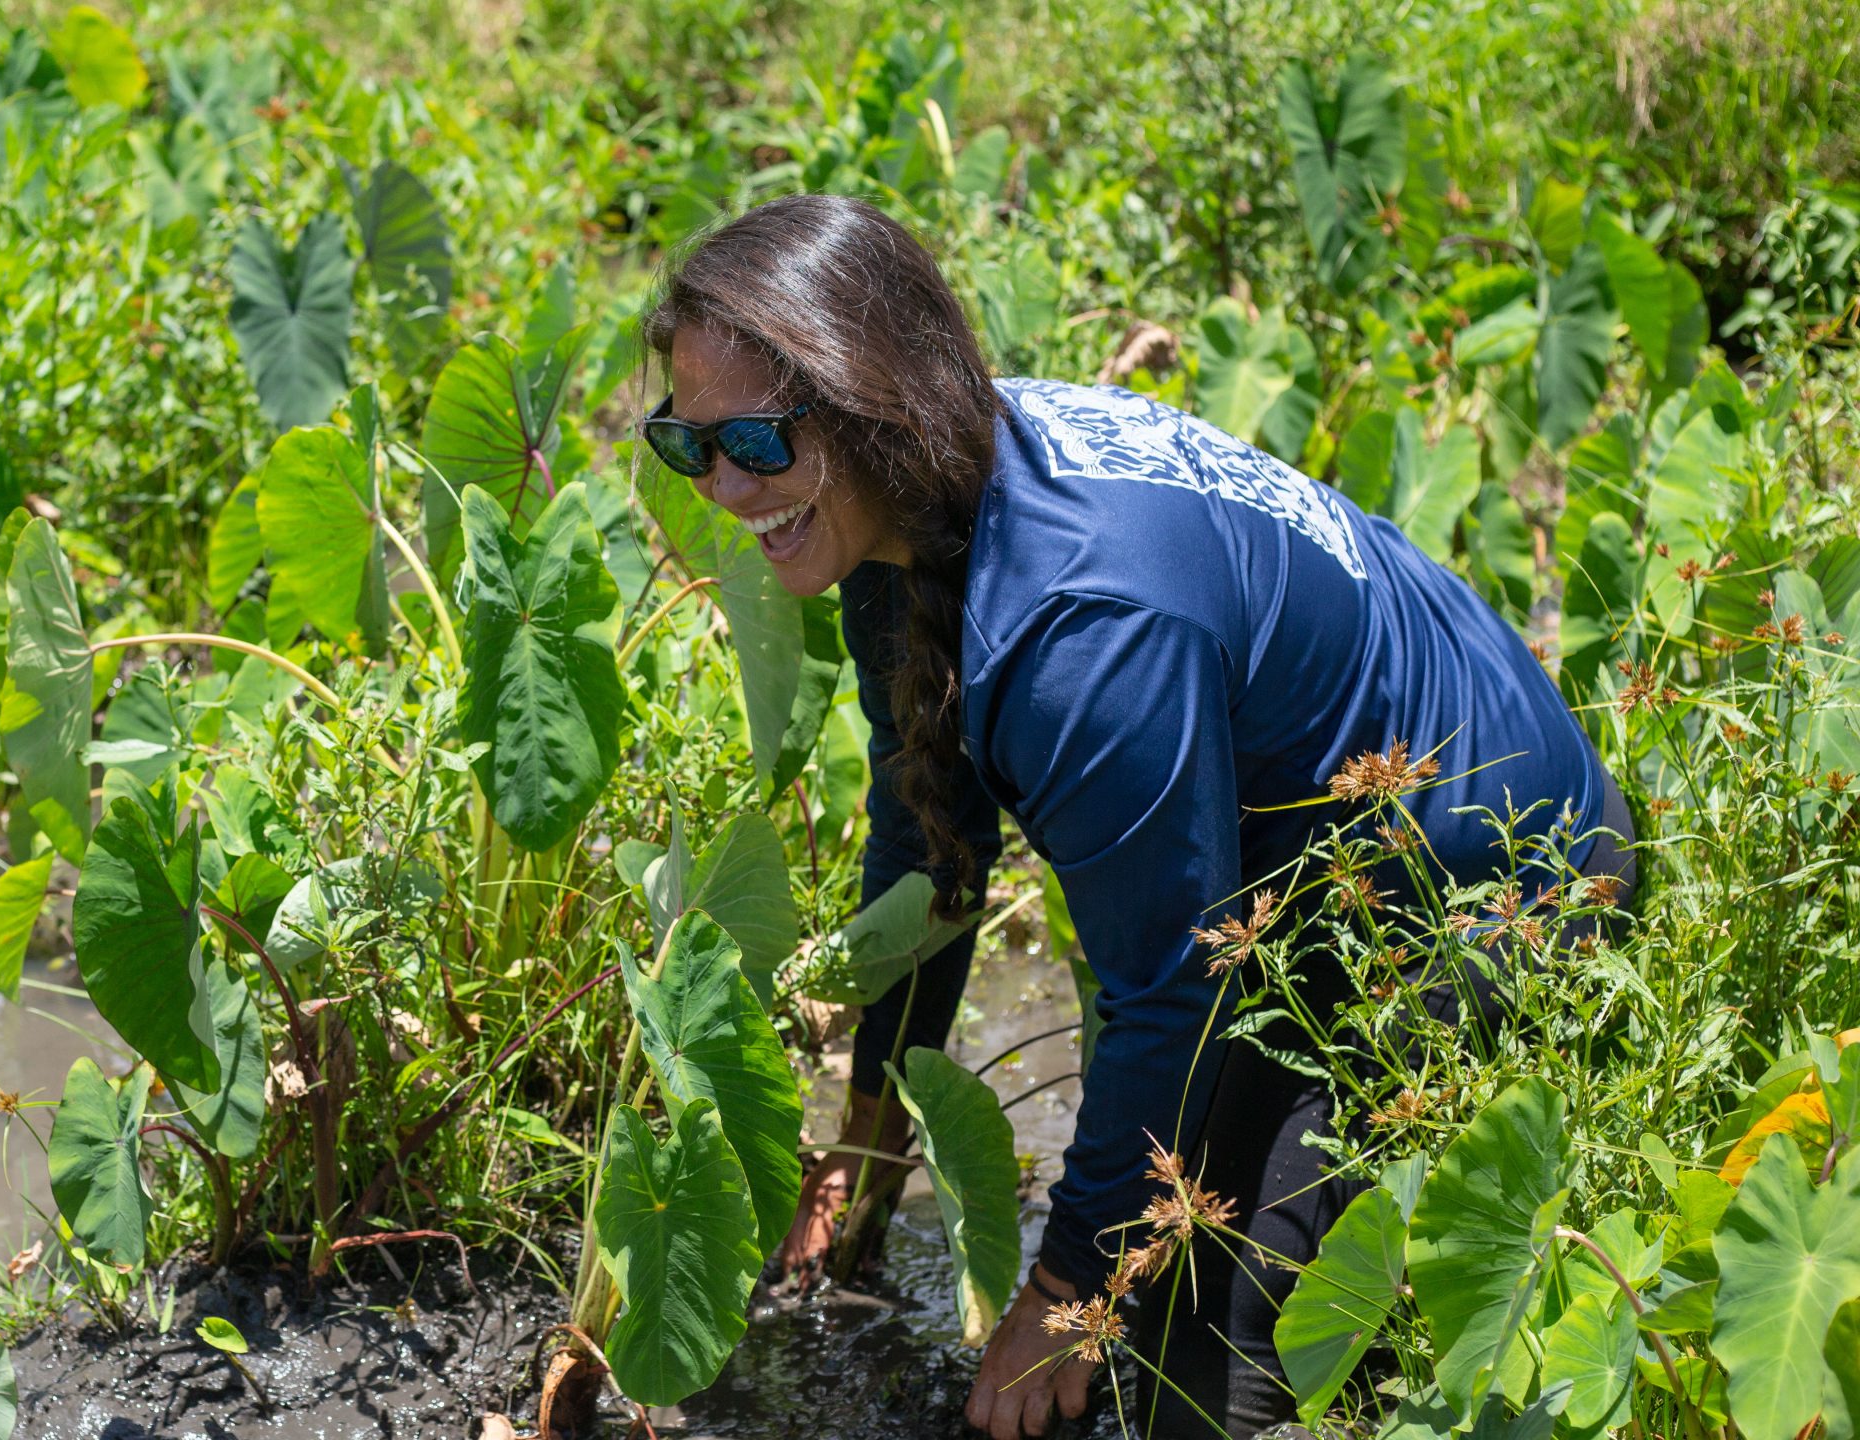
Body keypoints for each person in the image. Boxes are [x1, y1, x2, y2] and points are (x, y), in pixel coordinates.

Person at [632, 194, 1633, 1440]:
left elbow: (1173, 987)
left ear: (869, 403)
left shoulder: (1080, 636)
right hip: (1307, 847)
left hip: (1493, 879)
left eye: (756, 443)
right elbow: (927, 848)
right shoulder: (910, 503)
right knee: (1147, 1279)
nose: (727, 488)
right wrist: (872, 1139)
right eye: (688, 446)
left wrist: (1064, 1286)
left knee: (1197, 1381)